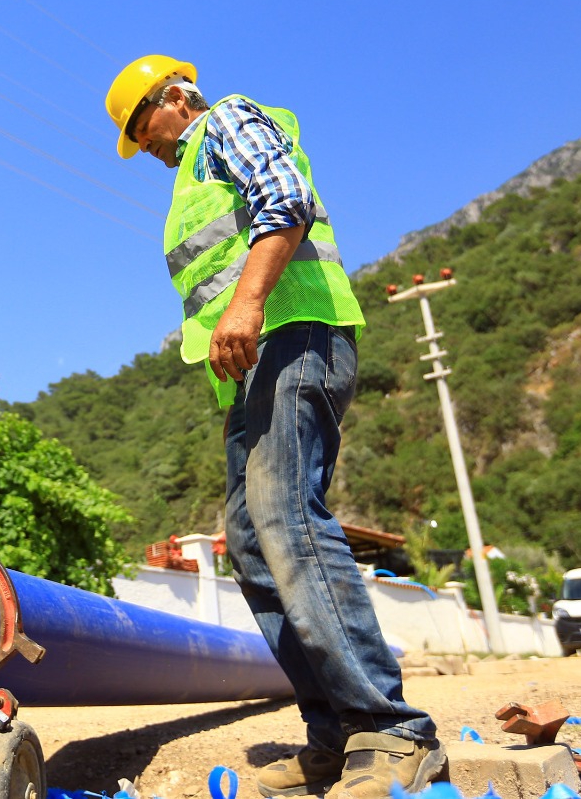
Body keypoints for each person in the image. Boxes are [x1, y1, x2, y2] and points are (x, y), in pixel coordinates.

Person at [104, 57, 442, 799]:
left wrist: (247, 304)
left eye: (142, 125)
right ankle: (335, 733)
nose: (145, 145)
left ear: (174, 98)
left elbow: (286, 198)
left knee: (288, 516)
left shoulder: (224, 120)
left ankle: (391, 730)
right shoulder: (190, 173)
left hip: (295, 333)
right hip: (255, 365)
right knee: (253, 544)